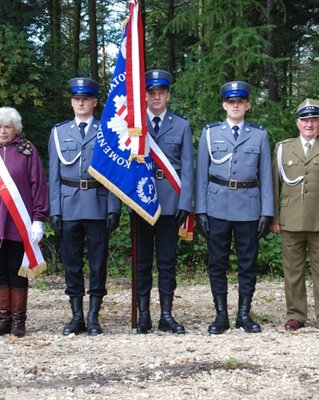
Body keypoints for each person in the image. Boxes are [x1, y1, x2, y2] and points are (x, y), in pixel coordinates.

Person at [195, 81, 273, 334]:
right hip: (217, 205)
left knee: (248, 263)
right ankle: (221, 315)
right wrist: (201, 210)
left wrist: (267, 211)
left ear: (248, 105)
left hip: (249, 206)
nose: (235, 105)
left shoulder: (259, 135)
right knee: (217, 262)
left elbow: (266, 177)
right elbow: (200, 176)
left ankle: (243, 314)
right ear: (224, 105)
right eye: (231, 101)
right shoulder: (210, 133)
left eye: (240, 101)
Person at [0, 107, 48, 338]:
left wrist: (38, 219)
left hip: (18, 223)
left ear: (16, 128)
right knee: (0, 272)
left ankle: (18, 321)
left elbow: (38, 185)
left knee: (17, 272)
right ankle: (3, 319)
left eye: (8, 126)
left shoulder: (27, 151)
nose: (3, 131)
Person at [48, 77, 120, 336]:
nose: (81, 103)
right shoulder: (59, 132)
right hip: (68, 205)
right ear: (71, 102)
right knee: (72, 263)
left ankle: (93, 317)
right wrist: (54, 209)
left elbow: (112, 173)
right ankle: (76, 315)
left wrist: (114, 207)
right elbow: (53, 175)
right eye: (77, 99)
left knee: (98, 264)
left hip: (98, 203)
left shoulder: (106, 131)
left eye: (86, 99)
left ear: (94, 102)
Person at [272, 99, 319, 333]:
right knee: (293, 271)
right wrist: (274, 218)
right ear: (298, 123)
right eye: (305, 119)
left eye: (314, 119)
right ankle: (295, 314)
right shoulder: (283, 148)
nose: (309, 124)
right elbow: (275, 185)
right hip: (290, 219)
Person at [134, 70, 193, 334]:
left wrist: (185, 202)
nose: (156, 97)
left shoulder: (181, 125)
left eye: (161, 92)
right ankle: (144, 315)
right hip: (140, 199)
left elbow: (188, 168)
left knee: (167, 261)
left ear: (168, 95)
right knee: (142, 260)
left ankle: (166, 315)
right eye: (152, 92)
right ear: (145, 95)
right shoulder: (134, 124)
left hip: (171, 200)